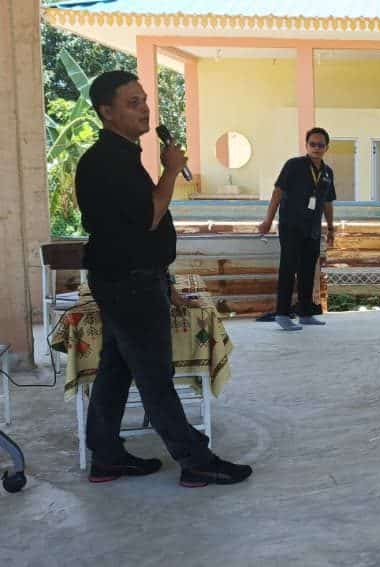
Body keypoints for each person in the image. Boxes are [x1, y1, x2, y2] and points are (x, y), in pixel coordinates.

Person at [76, 70, 251, 486]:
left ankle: (106, 455)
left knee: (116, 369)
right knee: (154, 377)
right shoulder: (108, 162)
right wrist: (171, 171)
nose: (144, 109)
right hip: (129, 284)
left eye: (144, 101)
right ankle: (195, 461)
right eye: (133, 103)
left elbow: (134, 234)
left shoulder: (121, 156)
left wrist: (165, 283)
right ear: (107, 112)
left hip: (130, 277)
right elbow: (149, 218)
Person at [259, 127, 337, 331]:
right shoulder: (294, 165)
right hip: (291, 226)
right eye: (313, 144)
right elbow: (277, 192)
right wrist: (268, 220)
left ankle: (305, 313)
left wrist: (330, 228)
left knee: (308, 271)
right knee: (288, 269)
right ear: (306, 145)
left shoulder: (328, 173)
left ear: (327, 147)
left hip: (312, 229)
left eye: (321, 145)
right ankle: (283, 314)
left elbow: (328, 203)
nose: (316, 148)